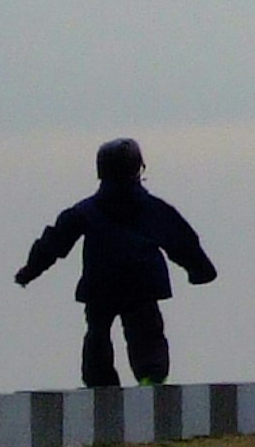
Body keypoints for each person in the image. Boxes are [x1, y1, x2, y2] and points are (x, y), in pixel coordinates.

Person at [16, 138, 216, 389]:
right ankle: (151, 378)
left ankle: (100, 383)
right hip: (142, 283)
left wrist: (30, 271)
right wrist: (200, 270)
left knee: (97, 333)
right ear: (138, 169)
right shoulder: (154, 208)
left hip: (101, 283)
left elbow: (54, 241)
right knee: (147, 334)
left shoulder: (85, 211)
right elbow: (182, 241)